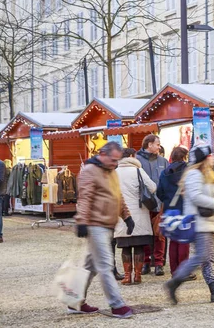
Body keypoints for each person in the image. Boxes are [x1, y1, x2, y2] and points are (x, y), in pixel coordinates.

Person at [165, 145, 214, 305]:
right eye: (209, 156)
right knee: (202, 256)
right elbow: (196, 196)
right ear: (203, 159)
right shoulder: (194, 175)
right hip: (199, 221)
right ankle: (175, 281)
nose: (212, 158)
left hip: (208, 221)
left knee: (207, 258)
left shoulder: (206, 174)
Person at [73, 142, 135, 318]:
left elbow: (118, 195)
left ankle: (75, 301)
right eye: (113, 159)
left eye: (117, 160)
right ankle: (117, 305)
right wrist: (83, 222)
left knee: (90, 267)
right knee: (106, 265)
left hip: (107, 224)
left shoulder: (111, 171)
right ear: (102, 154)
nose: (115, 163)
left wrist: (127, 216)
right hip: (95, 224)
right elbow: (85, 198)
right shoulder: (89, 171)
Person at [114, 148, 157, 285]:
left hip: (121, 215)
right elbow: (152, 187)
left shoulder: (114, 173)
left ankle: (127, 276)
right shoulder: (138, 170)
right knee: (138, 246)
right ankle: (138, 275)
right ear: (132, 156)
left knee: (125, 247)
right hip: (139, 213)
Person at [156, 146, 195, 278]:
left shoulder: (164, 172)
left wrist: (167, 201)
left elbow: (159, 192)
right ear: (184, 157)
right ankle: (184, 272)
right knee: (184, 241)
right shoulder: (189, 170)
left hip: (170, 209)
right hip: (185, 209)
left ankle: (174, 271)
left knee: (173, 241)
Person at [136, 134, 169, 276]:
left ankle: (159, 263)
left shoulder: (164, 161)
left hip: (160, 204)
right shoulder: (136, 161)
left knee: (160, 234)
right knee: (145, 234)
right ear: (149, 144)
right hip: (143, 204)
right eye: (157, 144)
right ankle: (146, 262)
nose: (159, 146)